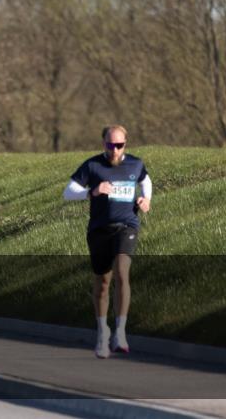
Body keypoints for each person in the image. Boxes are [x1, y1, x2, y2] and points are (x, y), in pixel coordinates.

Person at [63, 125, 153, 358]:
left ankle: (120, 332)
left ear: (126, 144)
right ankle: (103, 332)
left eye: (119, 145)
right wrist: (92, 191)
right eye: (110, 145)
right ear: (103, 143)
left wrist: (146, 200)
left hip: (127, 226)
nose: (114, 150)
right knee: (103, 282)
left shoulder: (135, 164)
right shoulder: (92, 166)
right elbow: (68, 191)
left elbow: (146, 181)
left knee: (122, 272)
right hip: (99, 230)